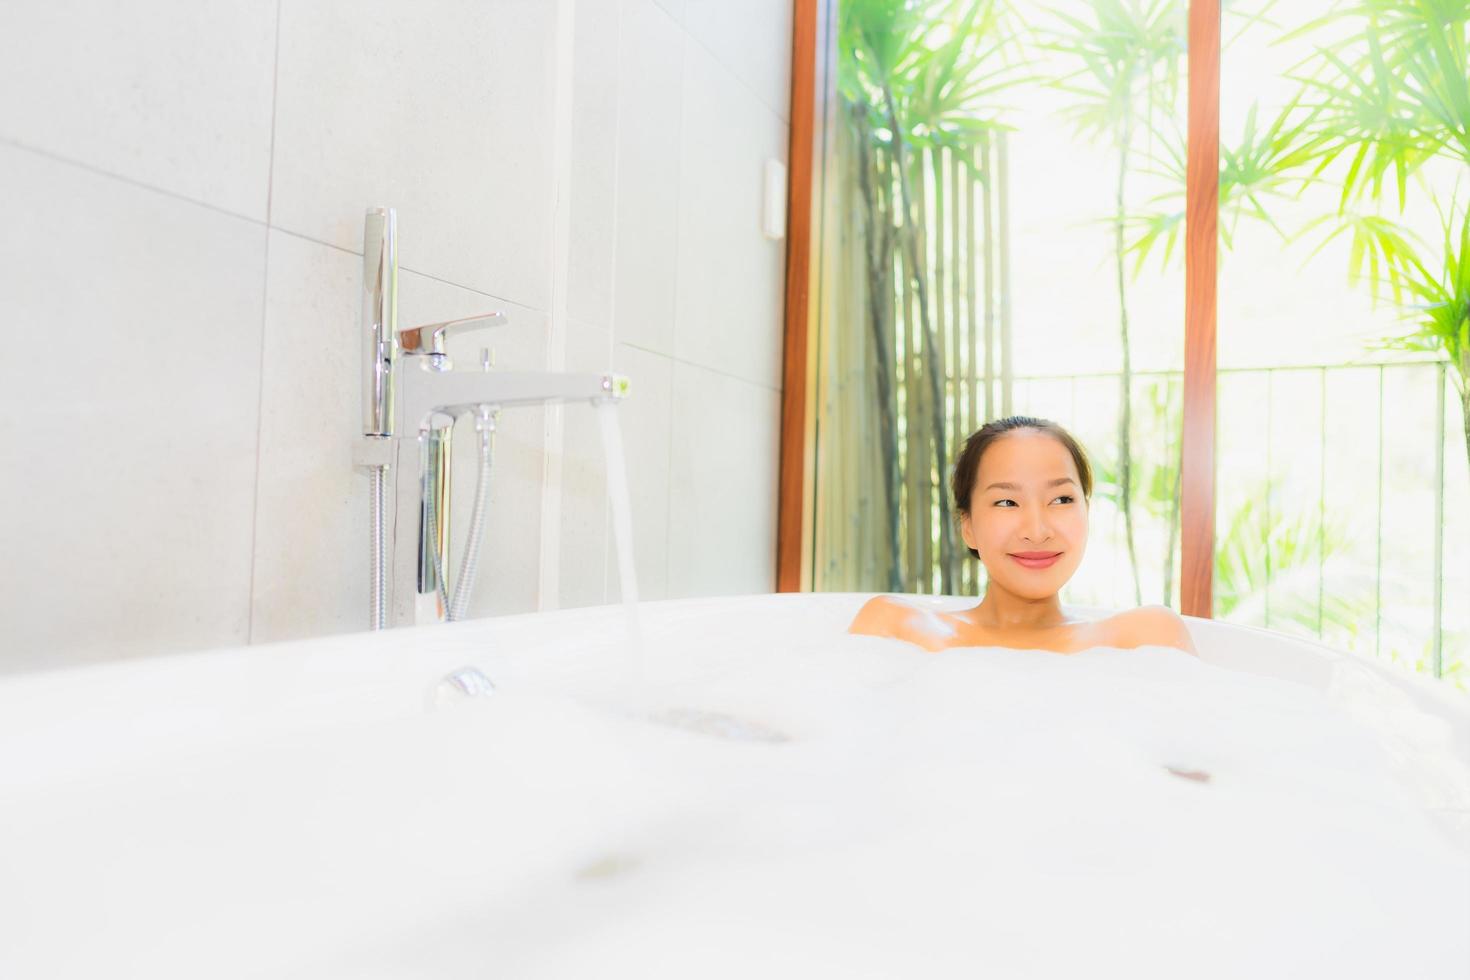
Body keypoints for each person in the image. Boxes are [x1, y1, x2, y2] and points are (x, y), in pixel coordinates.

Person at [849, 416, 1198, 656]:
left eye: (1061, 499)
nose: (1037, 531)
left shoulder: (1147, 641)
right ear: (967, 525)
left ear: (1086, 512)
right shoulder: (896, 630)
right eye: (1007, 501)